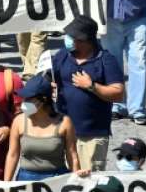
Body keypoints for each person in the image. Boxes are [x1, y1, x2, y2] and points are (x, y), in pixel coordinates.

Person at [52, 16, 125, 171]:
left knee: (88, 183)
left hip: (91, 136)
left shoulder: (106, 60)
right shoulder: (62, 55)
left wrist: (91, 86)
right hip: (62, 132)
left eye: (73, 37)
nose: (68, 40)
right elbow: (47, 77)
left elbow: (118, 93)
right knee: (61, 181)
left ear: (86, 40)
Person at [4, 75, 82, 181]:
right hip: (26, 179)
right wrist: (6, 185)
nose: (24, 102)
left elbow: (72, 155)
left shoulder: (65, 122)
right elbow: (12, 155)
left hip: (56, 179)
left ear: (43, 100)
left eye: (28, 99)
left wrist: (78, 182)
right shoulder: (19, 121)